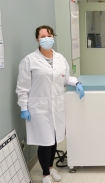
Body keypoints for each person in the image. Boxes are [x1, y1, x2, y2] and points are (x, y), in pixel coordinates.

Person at [16, 25, 84, 183]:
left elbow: (65, 78)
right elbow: (22, 87)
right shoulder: (29, 61)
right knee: (45, 142)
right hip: (39, 108)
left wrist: (77, 83)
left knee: (53, 140)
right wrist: (23, 107)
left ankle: (51, 168)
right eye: (43, 36)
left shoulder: (60, 58)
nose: (47, 38)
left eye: (50, 35)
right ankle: (45, 174)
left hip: (56, 107)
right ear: (37, 39)